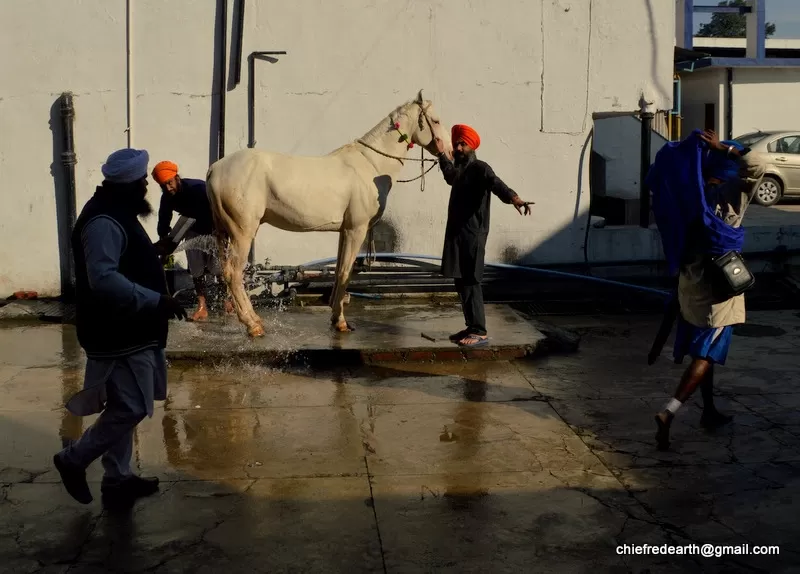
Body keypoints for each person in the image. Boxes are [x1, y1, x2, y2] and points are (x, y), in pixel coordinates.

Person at [53, 148, 188, 510]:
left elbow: (121, 260)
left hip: (127, 329)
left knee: (123, 403)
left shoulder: (116, 213)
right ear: (128, 185)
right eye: (143, 182)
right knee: (131, 407)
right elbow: (104, 279)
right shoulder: (104, 221)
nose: (146, 187)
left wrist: (153, 254)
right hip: (118, 331)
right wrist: (156, 300)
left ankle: (117, 478)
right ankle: (73, 460)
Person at [647, 129, 766, 450]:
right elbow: (756, 167)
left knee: (705, 347)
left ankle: (709, 410)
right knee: (706, 353)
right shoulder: (734, 192)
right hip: (719, 285)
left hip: (690, 278)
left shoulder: (691, 196)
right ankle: (669, 411)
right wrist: (725, 148)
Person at [434, 124, 533, 347]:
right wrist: (441, 153)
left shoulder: (480, 168)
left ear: (472, 147)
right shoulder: (460, 172)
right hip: (457, 235)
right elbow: (450, 176)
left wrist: (514, 198)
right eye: (457, 143)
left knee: (472, 280)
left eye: (463, 144)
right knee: (461, 281)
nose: (459, 147)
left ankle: (480, 330)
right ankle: (471, 327)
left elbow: (496, 184)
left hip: (473, 235)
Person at [152, 161, 231, 321]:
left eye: (169, 183)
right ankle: (202, 306)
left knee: (220, 269)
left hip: (214, 231)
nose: (168, 188)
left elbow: (222, 210)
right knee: (196, 271)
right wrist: (164, 245)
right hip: (192, 230)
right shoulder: (167, 198)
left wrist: (225, 233)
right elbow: (164, 221)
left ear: (176, 178)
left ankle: (227, 300)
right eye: (163, 185)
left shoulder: (199, 189)